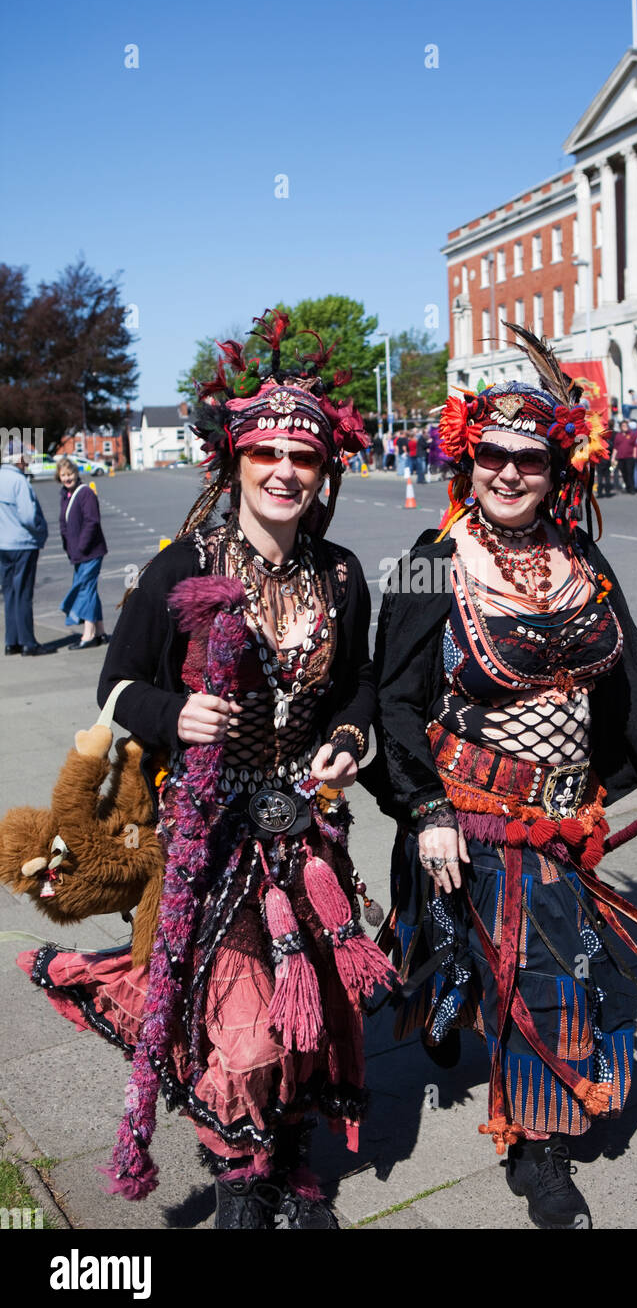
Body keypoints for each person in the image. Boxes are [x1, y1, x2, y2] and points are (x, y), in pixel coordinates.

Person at [371, 326, 637, 1231]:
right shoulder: (426, 561)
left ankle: (515, 1104)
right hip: (472, 815)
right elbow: (390, 700)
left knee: (549, 975)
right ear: (467, 460)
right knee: (518, 973)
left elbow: (627, 672)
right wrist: (426, 807)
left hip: (567, 819)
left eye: (532, 461)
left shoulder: (583, 562)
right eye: (493, 458)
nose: (509, 475)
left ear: (562, 472)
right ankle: (535, 1146)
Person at [17, 311, 392, 1227]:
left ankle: (294, 1161)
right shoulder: (184, 563)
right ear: (235, 463)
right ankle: (237, 1177)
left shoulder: (342, 576)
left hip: (306, 830)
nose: (283, 473)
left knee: (310, 1004)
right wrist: (172, 714)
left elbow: (359, 685)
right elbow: (114, 688)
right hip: (206, 834)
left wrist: (350, 735)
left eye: (302, 460)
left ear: (323, 472)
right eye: (265, 454)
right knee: (238, 1022)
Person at [56, 456, 108, 650]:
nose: (67, 478)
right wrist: (70, 548)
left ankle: (89, 634)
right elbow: (64, 524)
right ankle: (101, 631)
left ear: (77, 474)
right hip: (77, 553)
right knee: (90, 589)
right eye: (63, 475)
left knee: (85, 589)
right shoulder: (65, 494)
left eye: (70, 474)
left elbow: (92, 521)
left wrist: (81, 546)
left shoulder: (85, 493)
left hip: (90, 551)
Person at [0, 446, 48, 656]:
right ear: (17, 459)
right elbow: (28, 516)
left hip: (3, 544)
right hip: (22, 544)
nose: (27, 462)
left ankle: (12, 642)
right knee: (23, 594)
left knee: (9, 592)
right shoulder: (19, 481)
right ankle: (28, 642)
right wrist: (40, 530)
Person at [613, 419, 635, 493]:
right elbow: (615, 447)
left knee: (630, 472)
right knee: (624, 473)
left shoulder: (631, 434)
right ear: (620, 427)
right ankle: (628, 487)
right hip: (621, 457)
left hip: (629, 457)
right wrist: (613, 457)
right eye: (623, 426)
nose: (624, 427)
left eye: (626, 426)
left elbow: (635, 445)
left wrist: (635, 455)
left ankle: (632, 488)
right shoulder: (618, 436)